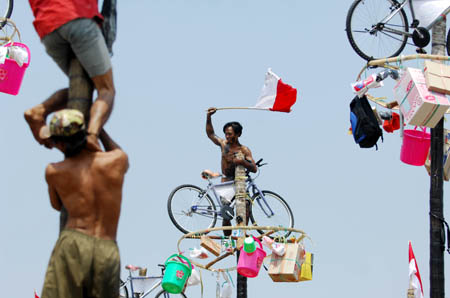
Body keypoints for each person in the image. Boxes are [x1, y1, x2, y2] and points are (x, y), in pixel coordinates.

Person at [40, 109, 129, 298]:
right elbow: (118, 152)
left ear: (60, 144)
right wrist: (97, 132)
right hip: (107, 247)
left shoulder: (55, 171)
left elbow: (57, 205)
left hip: (74, 242)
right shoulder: (116, 162)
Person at [25, 0, 115, 151]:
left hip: (47, 27)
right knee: (106, 89)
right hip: (78, 19)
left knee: (80, 87)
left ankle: (40, 110)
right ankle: (92, 136)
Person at [206, 107, 257, 235]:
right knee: (226, 214)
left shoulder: (244, 150)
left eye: (230, 134)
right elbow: (211, 134)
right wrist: (209, 117)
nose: (227, 136)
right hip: (226, 184)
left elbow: (254, 168)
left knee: (245, 209)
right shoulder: (224, 144)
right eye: (226, 134)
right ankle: (229, 240)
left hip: (240, 185)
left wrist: (242, 162)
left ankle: (242, 236)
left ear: (238, 134)